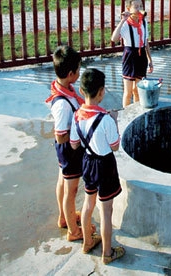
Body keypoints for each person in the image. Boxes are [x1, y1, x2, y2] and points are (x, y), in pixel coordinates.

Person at [70, 68, 126, 265]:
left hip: (87, 162)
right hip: (105, 165)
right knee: (106, 211)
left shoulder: (76, 116)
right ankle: (107, 253)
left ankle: (87, 242)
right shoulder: (106, 119)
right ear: (102, 92)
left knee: (88, 204)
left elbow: (74, 144)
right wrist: (115, 121)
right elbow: (115, 146)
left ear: (81, 90)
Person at [45, 44, 92, 243]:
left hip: (64, 151)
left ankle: (65, 217)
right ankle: (74, 231)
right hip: (69, 151)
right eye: (78, 70)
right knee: (71, 192)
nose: (80, 73)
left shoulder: (64, 89)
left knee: (63, 183)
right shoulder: (63, 105)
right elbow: (60, 135)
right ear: (71, 73)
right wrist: (77, 139)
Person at [111, 0, 153, 107]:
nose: (139, 9)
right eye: (136, 7)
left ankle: (137, 112)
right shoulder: (125, 24)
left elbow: (146, 42)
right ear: (129, 8)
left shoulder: (144, 22)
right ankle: (126, 113)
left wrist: (150, 59)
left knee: (138, 90)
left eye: (141, 6)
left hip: (141, 56)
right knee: (128, 92)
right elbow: (114, 39)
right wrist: (122, 20)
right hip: (130, 56)